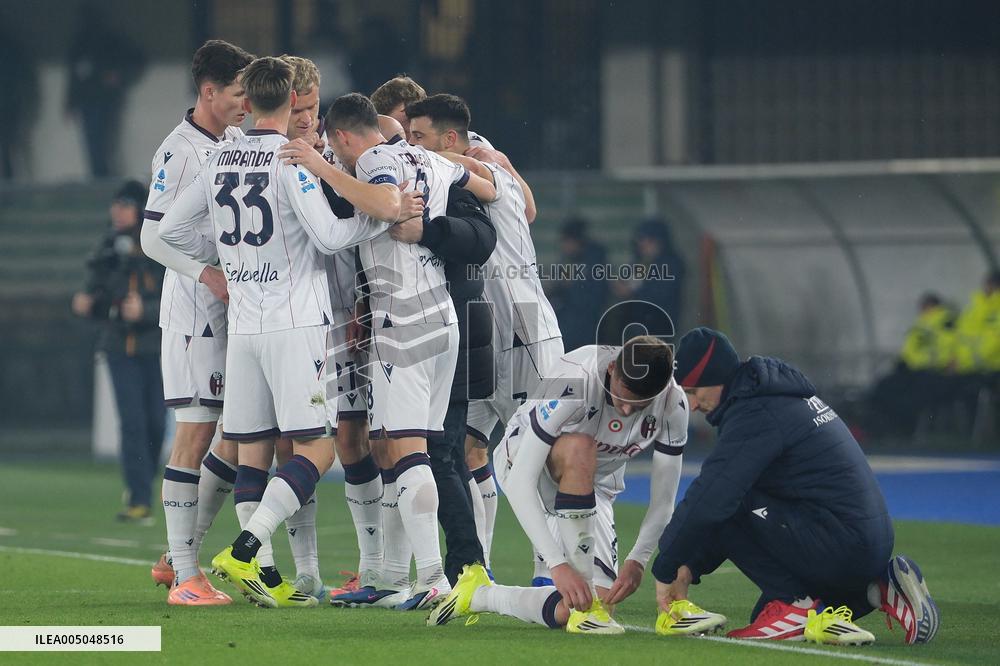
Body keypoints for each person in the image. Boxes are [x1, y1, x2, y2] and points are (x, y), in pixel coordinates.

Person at [158, 57, 407, 608]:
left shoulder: (219, 154)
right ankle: (248, 547)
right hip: (296, 324)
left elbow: (172, 228)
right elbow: (330, 236)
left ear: (247, 101)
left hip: (243, 326)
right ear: (291, 101)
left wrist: (226, 257)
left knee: (254, 451)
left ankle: (265, 574)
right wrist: (380, 219)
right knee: (317, 449)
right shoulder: (292, 160)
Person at [278, 93, 496, 610]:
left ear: (345, 138)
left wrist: (318, 167)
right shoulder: (428, 158)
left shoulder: (374, 160)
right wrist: (472, 164)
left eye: (334, 145)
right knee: (416, 447)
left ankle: (435, 581)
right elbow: (487, 190)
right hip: (443, 316)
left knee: (406, 448)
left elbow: (382, 204)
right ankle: (425, 574)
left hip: (402, 320)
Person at [651, 327, 940, 645]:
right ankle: (879, 589)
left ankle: (795, 606)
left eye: (693, 391)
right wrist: (691, 567)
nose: (691, 405)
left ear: (717, 376)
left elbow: (711, 500)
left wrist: (667, 567)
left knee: (723, 497)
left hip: (839, 543)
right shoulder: (775, 396)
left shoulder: (755, 412)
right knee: (763, 611)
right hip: (861, 542)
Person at [428, 336, 714, 636]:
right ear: (613, 368)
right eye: (624, 397)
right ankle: (572, 583)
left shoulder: (673, 403)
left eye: (639, 405)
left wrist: (638, 561)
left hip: (593, 490)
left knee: (587, 605)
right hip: (528, 463)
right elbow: (520, 481)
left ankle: (481, 595)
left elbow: (664, 501)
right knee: (581, 447)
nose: (627, 412)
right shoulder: (575, 377)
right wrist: (557, 564)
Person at [405, 93, 561, 575]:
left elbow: (506, 195)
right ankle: (480, 566)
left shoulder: (481, 165)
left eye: (418, 138)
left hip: (524, 331)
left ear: (448, 137)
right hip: (481, 335)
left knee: (545, 453)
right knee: (467, 449)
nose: (410, 147)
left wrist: (408, 155)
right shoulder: (474, 161)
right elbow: (531, 210)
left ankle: (552, 568)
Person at [139, 39, 252, 606]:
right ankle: (186, 578)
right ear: (209, 91)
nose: (245, 103)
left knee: (234, 439)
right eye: (237, 92)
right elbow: (151, 237)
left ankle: (175, 557)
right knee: (196, 433)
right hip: (193, 316)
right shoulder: (178, 153)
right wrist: (205, 274)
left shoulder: (233, 142)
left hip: (233, 312)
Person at [72, 181, 166, 524]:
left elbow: (176, 296)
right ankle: (139, 498)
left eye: (125, 204)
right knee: (132, 423)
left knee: (156, 422)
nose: (118, 210)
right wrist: (92, 304)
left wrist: (147, 311)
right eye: (116, 204)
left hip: (155, 347)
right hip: (118, 349)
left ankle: (144, 483)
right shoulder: (107, 247)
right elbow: (91, 294)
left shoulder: (158, 245)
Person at [64, 3, 146, 177]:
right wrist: (70, 103)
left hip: (105, 101)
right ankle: (100, 179)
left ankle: (104, 179)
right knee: (95, 145)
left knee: (103, 144)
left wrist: (119, 77)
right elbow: (74, 74)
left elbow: (136, 60)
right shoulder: (82, 43)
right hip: (90, 101)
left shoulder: (108, 41)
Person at [868, 293, 957, 437]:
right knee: (885, 386)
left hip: (932, 373)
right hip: (913, 371)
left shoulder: (946, 323)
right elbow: (908, 351)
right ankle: (883, 430)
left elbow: (945, 351)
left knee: (909, 395)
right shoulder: (920, 325)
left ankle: (904, 430)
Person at [613, 218, 686, 334]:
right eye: (640, 240)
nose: (642, 244)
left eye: (647, 240)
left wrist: (632, 292)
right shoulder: (640, 262)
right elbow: (629, 284)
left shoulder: (672, 264)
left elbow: (660, 294)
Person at [550, 218, 609, 352]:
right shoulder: (569, 260)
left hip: (586, 327)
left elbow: (591, 298)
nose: (564, 246)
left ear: (576, 241)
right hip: (572, 322)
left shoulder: (593, 263)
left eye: (566, 241)